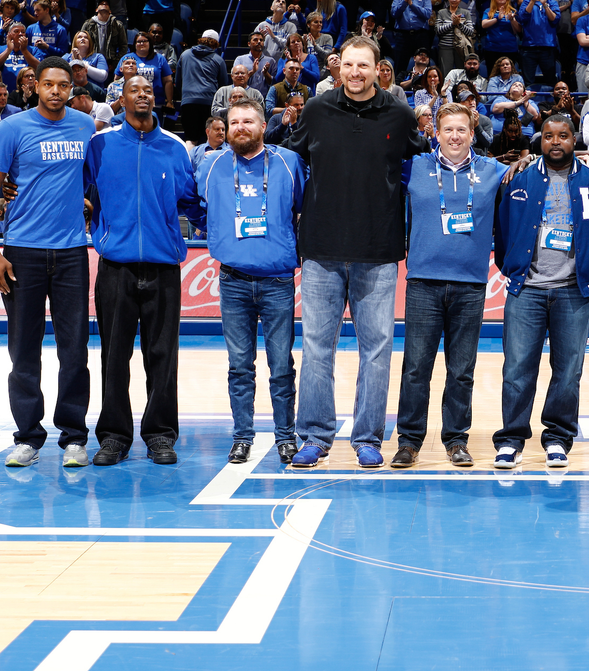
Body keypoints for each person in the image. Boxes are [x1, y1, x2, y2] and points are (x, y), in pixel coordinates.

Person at [287, 36, 428, 469]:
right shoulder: (316, 111)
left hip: (378, 252)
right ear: (338, 67)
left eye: (363, 65)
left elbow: (428, 166)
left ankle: (367, 437)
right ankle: (314, 435)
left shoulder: (400, 116)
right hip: (321, 251)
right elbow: (285, 163)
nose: (355, 73)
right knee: (316, 348)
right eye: (348, 65)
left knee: (377, 349)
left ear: (378, 69)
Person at [0, 57, 94, 468]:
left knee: (74, 349)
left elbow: (95, 177)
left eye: (63, 85)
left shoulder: (85, 127)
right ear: (34, 87)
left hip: (70, 254)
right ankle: (27, 436)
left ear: (71, 89)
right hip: (22, 253)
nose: (56, 91)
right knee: (23, 351)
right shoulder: (12, 128)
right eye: (48, 84)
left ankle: (74, 436)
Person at [86, 74, 204, 466]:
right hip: (115, 266)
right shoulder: (100, 145)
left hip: (163, 266)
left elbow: (191, 202)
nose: (143, 95)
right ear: (120, 98)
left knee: (162, 356)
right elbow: (80, 190)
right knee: (113, 356)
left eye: (148, 90)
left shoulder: (174, 147)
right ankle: (114, 436)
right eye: (134, 89)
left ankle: (159, 435)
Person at [491, 115, 589, 468]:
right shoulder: (520, 178)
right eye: (549, 136)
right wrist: (512, 267)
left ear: (573, 138)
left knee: (568, 371)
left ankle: (558, 438)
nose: (556, 142)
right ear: (540, 140)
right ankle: (511, 438)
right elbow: (502, 229)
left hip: (572, 291)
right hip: (525, 289)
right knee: (517, 368)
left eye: (563, 135)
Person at [391, 102, 509, 468]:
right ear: (435, 133)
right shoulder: (415, 168)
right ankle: (409, 440)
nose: (454, 136)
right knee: (416, 368)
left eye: (461, 130)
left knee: (461, 370)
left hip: (471, 286)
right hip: (423, 283)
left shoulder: (494, 171)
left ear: (472, 134)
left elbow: (531, 173)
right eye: (448, 130)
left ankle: (456, 439)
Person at [197, 98, 305, 465]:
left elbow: (302, 205)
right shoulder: (211, 166)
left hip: (277, 282)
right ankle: (242, 436)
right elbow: (196, 205)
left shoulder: (288, 162)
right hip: (234, 282)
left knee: (281, 366)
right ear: (225, 128)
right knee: (239, 365)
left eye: (248, 121)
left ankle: (285, 437)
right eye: (234, 122)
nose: (240, 127)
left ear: (262, 125)